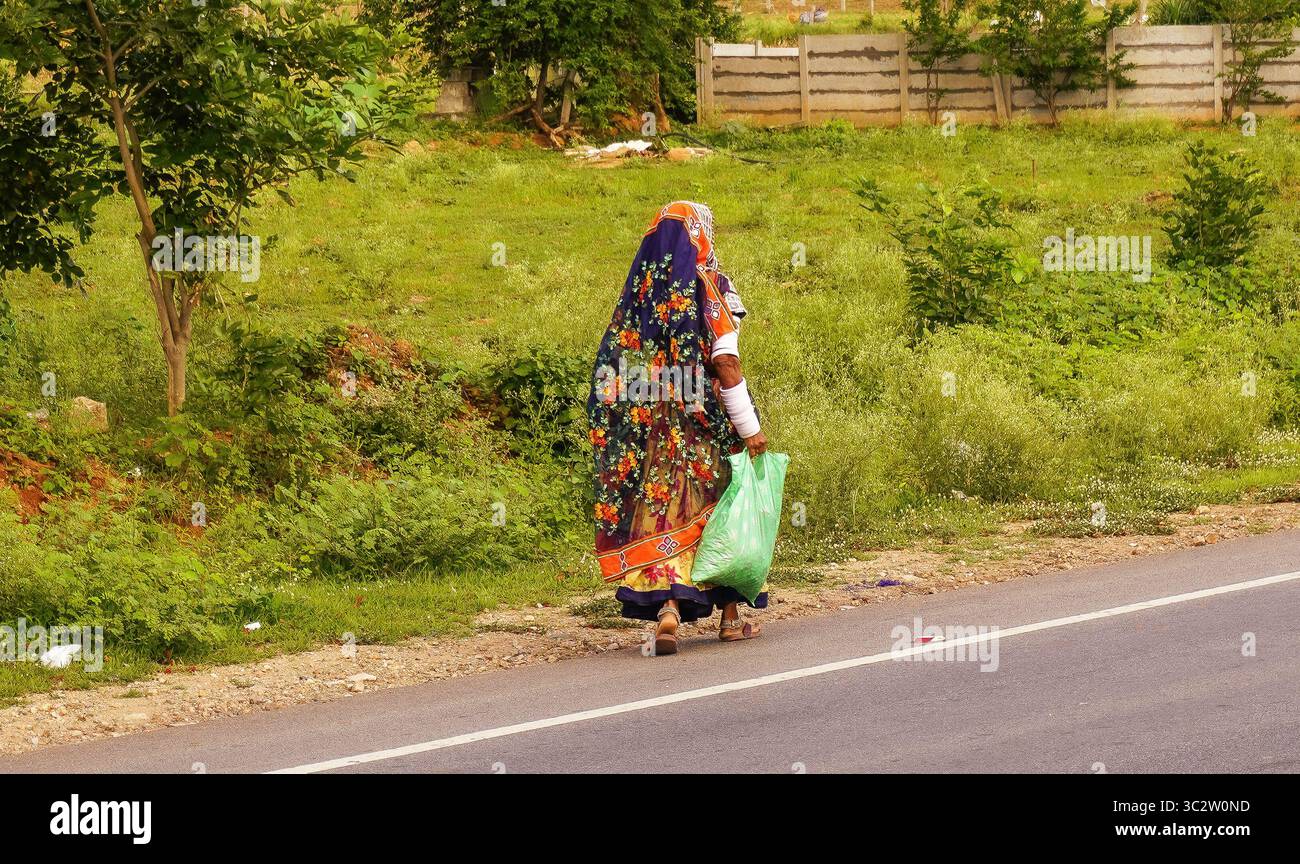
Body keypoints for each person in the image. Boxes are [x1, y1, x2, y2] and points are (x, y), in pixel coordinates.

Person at [587, 201, 768, 656]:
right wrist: (749, 427)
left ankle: (668, 608)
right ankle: (729, 618)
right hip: (707, 425)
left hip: (655, 429)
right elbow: (725, 362)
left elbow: (618, 373)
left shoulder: (641, 297)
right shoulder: (712, 290)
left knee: (665, 511)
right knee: (720, 511)